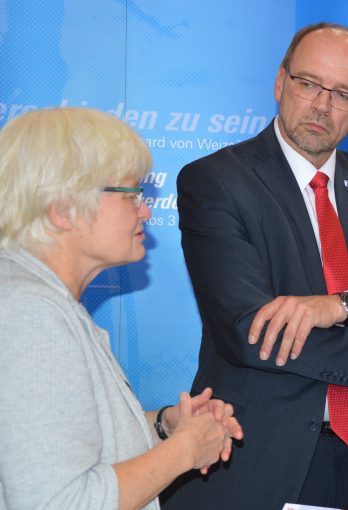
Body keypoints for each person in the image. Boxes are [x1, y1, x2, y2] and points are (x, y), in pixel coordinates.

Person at [162, 23, 348, 510]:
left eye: (343, 93)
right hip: (261, 458)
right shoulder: (216, 182)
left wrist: (344, 306)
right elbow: (250, 329)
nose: (321, 106)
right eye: (308, 83)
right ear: (280, 82)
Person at [0, 107, 243, 510]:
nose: (145, 210)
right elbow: (59, 502)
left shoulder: (47, 303)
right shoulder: (30, 315)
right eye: (131, 194)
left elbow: (80, 444)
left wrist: (166, 426)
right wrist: (184, 451)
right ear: (62, 209)